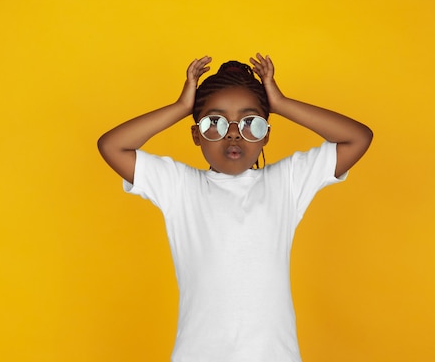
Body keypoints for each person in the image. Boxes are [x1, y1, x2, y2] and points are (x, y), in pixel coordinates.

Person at [97, 53, 373, 362]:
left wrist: (280, 103)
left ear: (266, 133)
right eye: (213, 122)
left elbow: (357, 138)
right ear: (196, 135)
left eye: (249, 122)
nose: (232, 132)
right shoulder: (179, 187)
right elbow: (112, 145)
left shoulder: (286, 183)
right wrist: (181, 108)